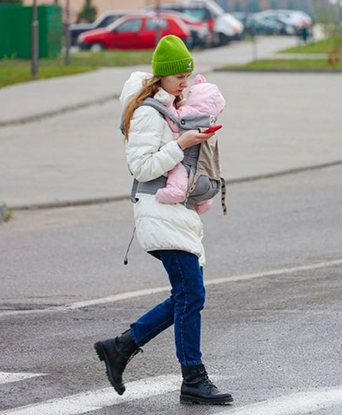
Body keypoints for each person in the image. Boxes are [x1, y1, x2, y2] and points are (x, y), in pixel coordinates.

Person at [94, 35, 233, 406]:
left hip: (174, 214)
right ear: (162, 77)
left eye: (188, 76)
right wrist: (182, 144)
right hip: (157, 210)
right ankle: (193, 377)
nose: (185, 83)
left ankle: (120, 347)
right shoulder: (146, 113)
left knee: (186, 295)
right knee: (192, 295)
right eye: (179, 78)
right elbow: (140, 166)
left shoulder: (170, 107)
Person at [155, 73, 226, 216]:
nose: (186, 86)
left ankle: (177, 191)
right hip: (201, 162)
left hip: (185, 157)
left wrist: (168, 104)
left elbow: (175, 121)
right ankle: (204, 201)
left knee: (177, 170)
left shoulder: (189, 111)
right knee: (197, 173)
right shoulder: (209, 117)